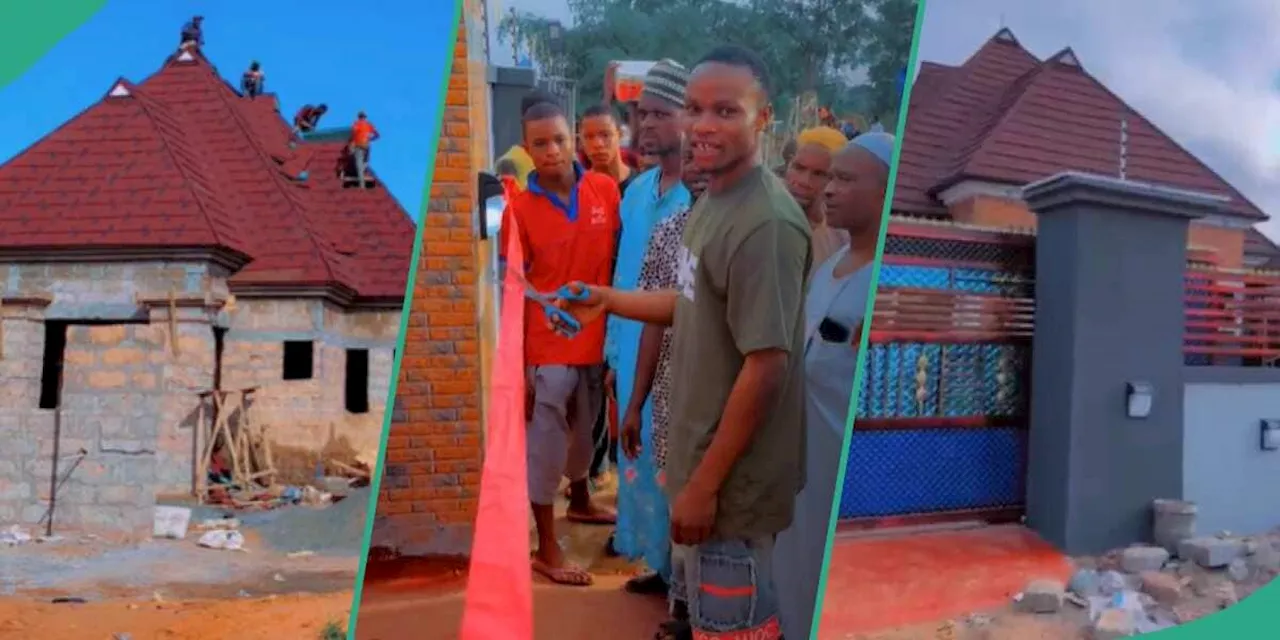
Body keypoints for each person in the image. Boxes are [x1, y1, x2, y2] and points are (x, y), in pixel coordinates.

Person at [554, 45, 810, 640]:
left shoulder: (766, 224)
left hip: (732, 488)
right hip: (699, 463)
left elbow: (767, 366)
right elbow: (689, 302)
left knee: (735, 627)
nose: (703, 126)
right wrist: (607, 298)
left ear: (764, 118)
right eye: (695, 109)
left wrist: (703, 487)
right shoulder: (713, 201)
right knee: (706, 619)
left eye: (726, 111)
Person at [774, 132, 893, 640]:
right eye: (829, 178)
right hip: (801, 464)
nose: (829, 190)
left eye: (845, 179)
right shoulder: (827, 270)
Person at [499, 96, 620, 587]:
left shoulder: (606, 192)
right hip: (547, 345)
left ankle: (583, 498)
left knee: (587, 428)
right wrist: (521, 365)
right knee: (546, 441)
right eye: (539, 144)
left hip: (598, 337)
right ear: (527, 149)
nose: (551, 151)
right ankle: (547, 547)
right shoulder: (519, 210)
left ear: (573, 137)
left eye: (558, 140)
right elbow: (513, 285)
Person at [606, 59, 692, 597]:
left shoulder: (698, 201)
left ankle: (682, 578)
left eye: (662, 113)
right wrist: (612, 347)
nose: (648, 125)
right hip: (631, 346)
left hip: (679, 355)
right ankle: (660, 565)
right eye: (642, 114)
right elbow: (621, 273)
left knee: (673, 465)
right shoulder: (636, 192)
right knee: (636, 461)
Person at [785, 126, 851, 274]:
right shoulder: (762, 221)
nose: (804, 181)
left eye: (819, 174)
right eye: (799, 168)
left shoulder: (843, 240)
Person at [579, 104, 635, 193]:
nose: (598, 144)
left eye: (605, 135)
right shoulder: (578, 190)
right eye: (589, 137)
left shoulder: (643, 184)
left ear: (620, 135)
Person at [348, 112, 380, 188]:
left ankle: (361, 184)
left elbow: (353, 134)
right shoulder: (369, 124)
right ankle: (362, 173)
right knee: (365, 161)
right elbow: (377, 135)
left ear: (359, 117)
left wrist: (351, 145)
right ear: (365, 117)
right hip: (366, 145)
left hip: (358, 145)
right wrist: (370, 139)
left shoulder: (356, 124)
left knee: (359, 165)